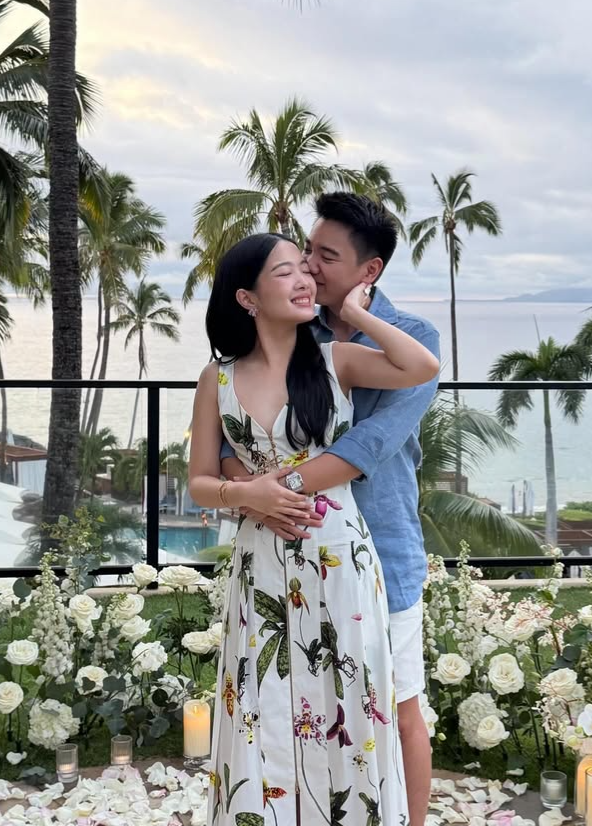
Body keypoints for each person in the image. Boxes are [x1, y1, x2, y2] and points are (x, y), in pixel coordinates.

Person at [188, 232, 439, 826]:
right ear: (247, 298)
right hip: (261, 559)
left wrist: (355, 311)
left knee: (348, 699)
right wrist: (245, 495)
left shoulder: (336, 361)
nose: (305, 279)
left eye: (306, 268)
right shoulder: (216, 379)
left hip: (340, 556)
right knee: (264, 697)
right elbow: (199, 479)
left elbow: (422, 366)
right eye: (286, 272)